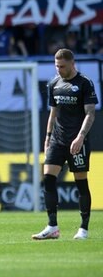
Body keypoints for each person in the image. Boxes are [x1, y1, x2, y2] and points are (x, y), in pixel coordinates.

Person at [32, 49, 98, 240]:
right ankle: (52, 227)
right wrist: (47, 136)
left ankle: (83, 229)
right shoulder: (54, 83)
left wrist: (80, 137)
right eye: (56, 65)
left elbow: (90, 114)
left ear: (72, 63)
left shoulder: (84, 83)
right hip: (57, 140)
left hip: (77, 140)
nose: (58, 69)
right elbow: (53, 113)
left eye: (62, 66)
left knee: (81, 183)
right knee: (48, 179)